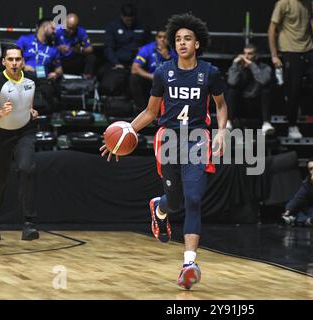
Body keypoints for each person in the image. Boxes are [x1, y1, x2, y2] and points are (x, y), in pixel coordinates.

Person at [100, 13, 228, 290]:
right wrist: (123, 135)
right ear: (173, 43)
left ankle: (189, 264)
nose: (182, 43)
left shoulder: (210, 73)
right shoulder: (162, 72)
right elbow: (150, 111)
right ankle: (159, 208)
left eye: (188, 39)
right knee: (176, 201)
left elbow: (220, 105)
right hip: (168, 139)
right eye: (178, 39)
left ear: (197, 44)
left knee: (193, 199)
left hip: (197, 140)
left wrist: (221, 131)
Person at [0, 44, 39, 245]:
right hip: (0, 136)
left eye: (18, 59)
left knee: (28, 168)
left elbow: (28, 104)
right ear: (4, 62)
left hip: (24, 132)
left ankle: (28, 224)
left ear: (23, 61)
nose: (15, 63)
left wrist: (31, 112)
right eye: (11, 59)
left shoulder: (32, 81)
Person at [268, 0, 313, 138]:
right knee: (293, 91)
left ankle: (307, 98)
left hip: (308, 48)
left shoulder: (309, 3)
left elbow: (306, 25)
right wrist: (274, 55)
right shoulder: (284, 3)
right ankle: (292, 126)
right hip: (290, 49)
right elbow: (272, 29)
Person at [100, 3, 150, 96]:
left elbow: (148, 47)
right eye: (127, 20)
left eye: (131, 20)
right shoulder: (113, 27)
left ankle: (139, 107)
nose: (129, 22)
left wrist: (139, 63)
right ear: (122, 16)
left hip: (137, 64)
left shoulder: (142, 27)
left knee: (137, 81)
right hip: (118, 63)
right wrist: (116, 63)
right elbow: (108, 48)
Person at [226, 43, 275, 135]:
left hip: (257, 104)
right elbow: (231, 82)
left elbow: (263, 80)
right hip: (241, 104)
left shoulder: (265, 67)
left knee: (267, 89)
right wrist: (235, 64)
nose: (246, 57)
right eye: (245, 54)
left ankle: (266, 123)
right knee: (231, 90)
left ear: (256, 55)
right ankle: (228, 122)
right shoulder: (238, 67)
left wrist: (252, 65)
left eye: (250, 54)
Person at [16, 18, 63, 113]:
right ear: (45, 27)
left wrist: (56, 74)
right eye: (53, 29)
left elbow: (59, 69)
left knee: (48, 90)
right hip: (24, 75)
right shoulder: (24, 40)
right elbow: (12, 56)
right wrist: (23, 66)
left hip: (43, 79)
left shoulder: (53, 49)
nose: (55, 32)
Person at [130, 30, 176, 109]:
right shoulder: (147, 48)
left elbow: (183, 69)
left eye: (165, 37)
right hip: (151, 79)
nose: (162, 39)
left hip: (170, 80)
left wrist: (168, 57)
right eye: (159, 37)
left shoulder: (175, 49)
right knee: (134, 78)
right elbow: (134, 68)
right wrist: (152, 76)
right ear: (156, 38)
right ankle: (141, 110)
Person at [55, 13, 96, 77]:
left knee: (91, 57)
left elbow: (90, 48)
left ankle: (87, 79)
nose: (71, 31)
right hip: (59, 59)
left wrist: (79, 49)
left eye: (73, 29)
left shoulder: (80, 31)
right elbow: (45, 46)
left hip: (73, 58)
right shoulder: (56, 30)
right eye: (69, 28)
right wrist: (58, 48)